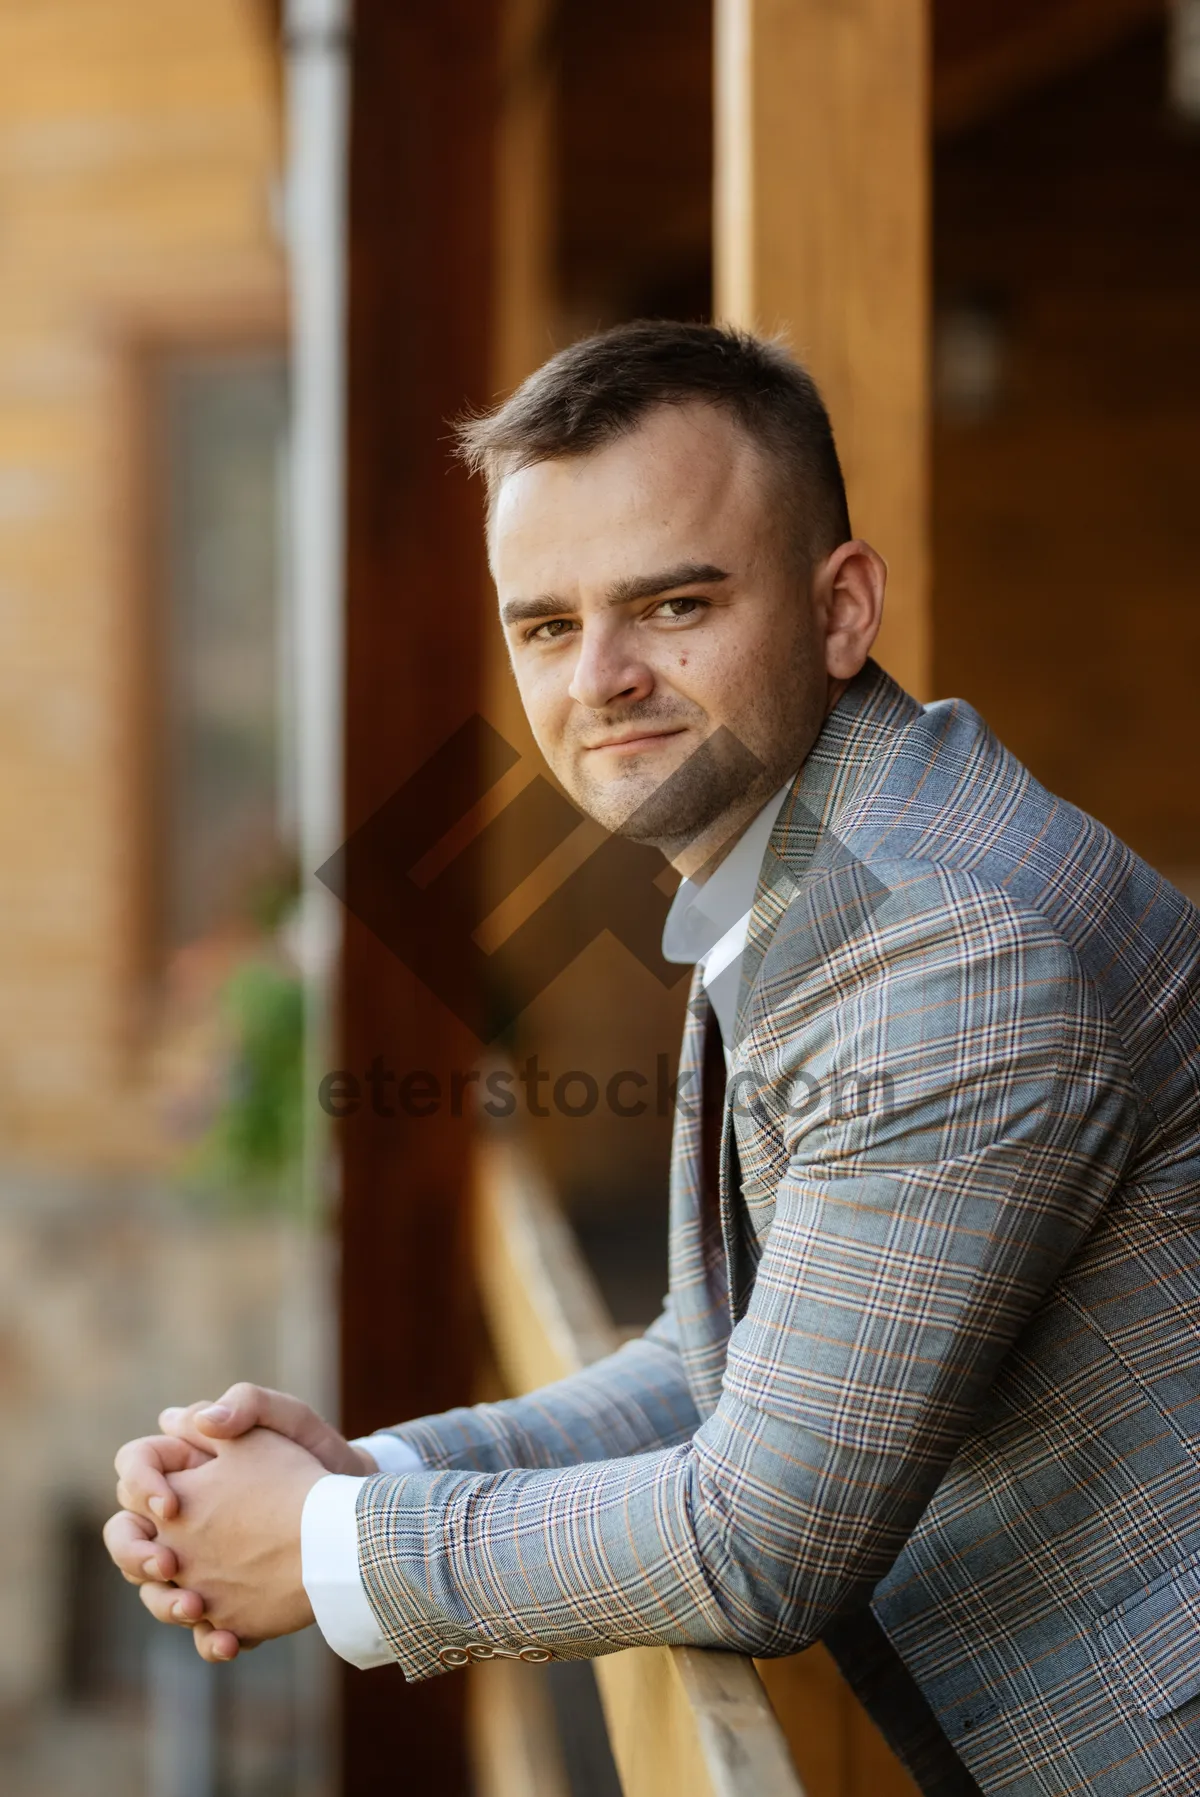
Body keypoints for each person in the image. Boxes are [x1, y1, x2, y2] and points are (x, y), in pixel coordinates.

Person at [104, 322, 1200, 1797]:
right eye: (546, 626)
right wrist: (377, 1477)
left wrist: (317, 1548)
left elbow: (761, 1543)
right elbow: (719, 1357)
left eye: (672, 604)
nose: (602, 678)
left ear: (841, 607)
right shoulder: (811, 858)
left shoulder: (944, 948)